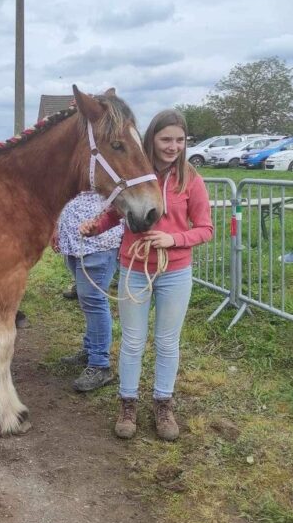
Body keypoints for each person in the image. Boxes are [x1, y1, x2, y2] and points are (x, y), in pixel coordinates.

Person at [80, 109, 213, 441]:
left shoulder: (191, 180)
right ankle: (127, 403)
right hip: (134, 270)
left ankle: (163, 403)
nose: (173, 146)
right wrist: (95, 226)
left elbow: (206, 229)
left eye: (180, 140)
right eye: (166, 139)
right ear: (152, 138)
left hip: (175, 273)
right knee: (133, 341)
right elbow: (116, 212)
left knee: (168, 343)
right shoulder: (139, 174)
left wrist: (174, 239)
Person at [52, 192, 124, 392]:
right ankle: (91, 350)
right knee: (87, 300)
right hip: (74, 243)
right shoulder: (78, 163)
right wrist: (57, 225)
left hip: (100, 243)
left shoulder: (110, 163)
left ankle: (100, 364)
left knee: (93, 300)